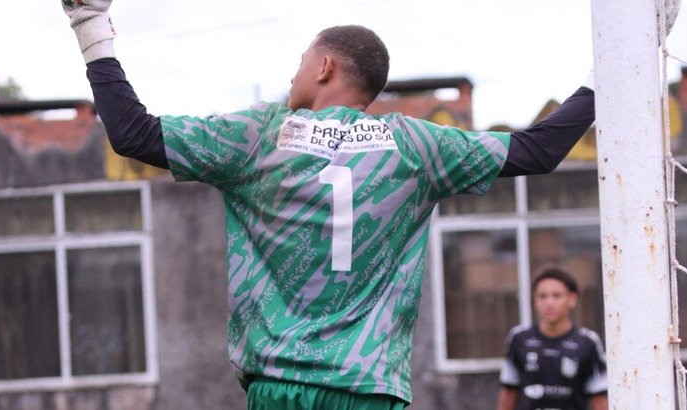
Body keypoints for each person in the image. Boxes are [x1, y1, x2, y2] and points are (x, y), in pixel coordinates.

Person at [61, 1, 596, 408]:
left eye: (300, 63)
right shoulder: (417, 146)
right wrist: (604, 75)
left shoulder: (259, 135)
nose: (291, 75)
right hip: (369, 387)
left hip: (280, 386)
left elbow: (132, 134)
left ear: (325, 67)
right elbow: (540, 150)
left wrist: (91, 23)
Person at [497, 264, 608, 410]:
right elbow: (509, 390)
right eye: (542, 296)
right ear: (535, 300)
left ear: (572, 299)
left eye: (556, 296)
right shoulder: (518, 338)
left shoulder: (588, 342)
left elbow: (599, 397)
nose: (549, 302)